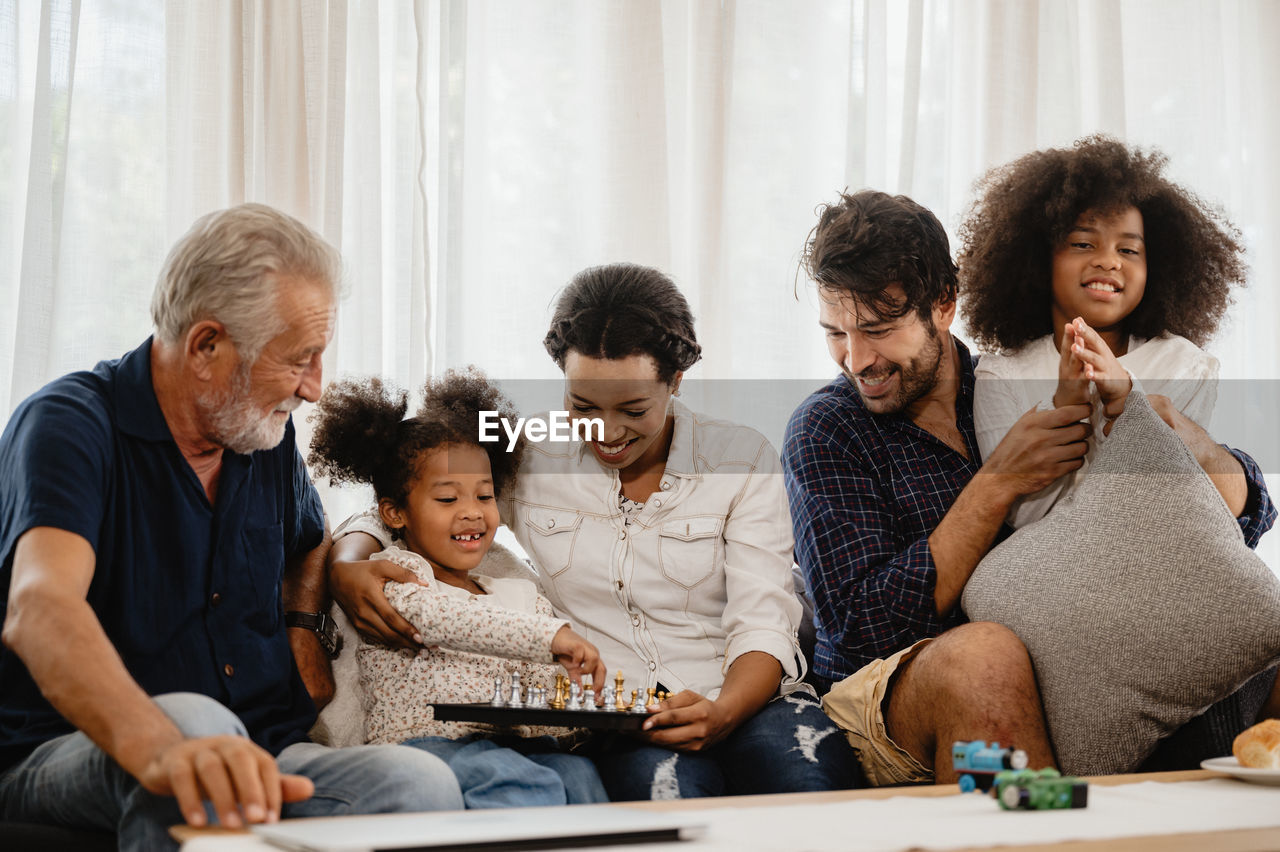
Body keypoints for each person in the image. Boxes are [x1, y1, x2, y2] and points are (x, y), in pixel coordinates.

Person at [0, 204, 462, 851]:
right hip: (74, 750)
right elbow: (40, 608)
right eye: (299, 359)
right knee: (195, 721)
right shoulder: (69, 424)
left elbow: (311, 540)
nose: (314, 388)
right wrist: (164, 746)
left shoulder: (260, 436)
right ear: (206, 346)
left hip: (255, 746)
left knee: (419, 783)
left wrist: (308, 623)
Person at [782, 189, 1277, 786]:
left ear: (943, 304)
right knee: (983, 655)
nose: (856, 359)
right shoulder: (828, 428)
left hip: (1073, 665)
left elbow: (1236, 524)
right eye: (834, 333)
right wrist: (995, 487)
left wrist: (1174, 433)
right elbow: (860, 632)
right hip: (895, 696)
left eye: (879, 329)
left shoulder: (1015, 381)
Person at [329, 263, 862, 800]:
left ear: (675, 381)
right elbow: (412, 477)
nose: (606, 432)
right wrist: (349, 562)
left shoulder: (741, 459)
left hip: (746, 700)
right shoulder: (527, 444)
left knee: (809, 782)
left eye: (633, 409)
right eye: (582, 406)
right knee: (666, 800)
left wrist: (722, 712)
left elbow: (762, 621)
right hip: (619, 719)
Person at [307, 369, 609, 807]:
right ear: (394, 513)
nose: (472, 513)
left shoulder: (515, 591)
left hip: (512, 743)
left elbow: (541, 681)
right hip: (430, 745)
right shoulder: (398, 577)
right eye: (448, 499)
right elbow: (453, 621)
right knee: (517, 782)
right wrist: (552, 638)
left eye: (485, 497)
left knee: (580, 775)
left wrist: (582, 706)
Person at [961, 135, 1251, 528]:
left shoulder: (1185, 366)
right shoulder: (1001, 376)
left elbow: (1169, 507)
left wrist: (1130, 402)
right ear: (1037, 260)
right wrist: (1065, 412)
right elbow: (1017, 521)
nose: (1108, 261)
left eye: (1128, 250)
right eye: (1083, 243)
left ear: (1158, 267)